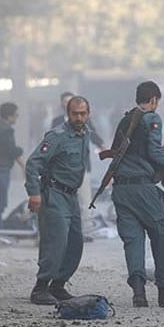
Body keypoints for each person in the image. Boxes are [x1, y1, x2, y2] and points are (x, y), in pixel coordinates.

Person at [110, 81, 164, 308]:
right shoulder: (152, 118)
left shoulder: (126, 119)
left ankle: (139, 292)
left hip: (121, 189)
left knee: (133, 240)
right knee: (160, 236)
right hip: (143, 189)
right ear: (154, 100)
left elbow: (128, 151)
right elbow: (153, 152)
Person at [25, 96, 91, 305]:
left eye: (82, 113)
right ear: (68, 114)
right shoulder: (57, 136)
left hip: (71, 196)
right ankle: (40, 287)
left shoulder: (85, 134)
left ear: (88, 114)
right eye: (75, 114)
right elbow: (33, 164)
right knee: (56, 242)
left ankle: (58, 285)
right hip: (54, 194)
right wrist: (34, 193)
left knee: (75, 243)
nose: (79, 118)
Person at [51, 91, 105, 239]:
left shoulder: (84, 119)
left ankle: (86, 231)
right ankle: (66, 231)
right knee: (64, 200)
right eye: (65, 102)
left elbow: (94, 135)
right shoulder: (57, 121)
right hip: (63, 169)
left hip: (82, 167)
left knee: (85, 200)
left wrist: (103, 147)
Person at [0, 102, 25, 230]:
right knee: (1, 202)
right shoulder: (5, 130)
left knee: (0, 201)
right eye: (16, 115)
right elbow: (11, 150)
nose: (17, 117)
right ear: (9, 116)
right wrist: (23, 163)